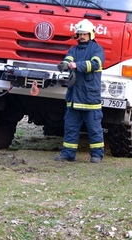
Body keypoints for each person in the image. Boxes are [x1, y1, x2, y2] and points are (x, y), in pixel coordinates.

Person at [54, 19, 105, 163]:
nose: (82, 36)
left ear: (91, 35)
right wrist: (64, 64)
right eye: (80, 34)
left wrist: (76, 65)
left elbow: (96, 64)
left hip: (90, 97)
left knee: (94, 128)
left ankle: (97, 155)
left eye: (84, 34)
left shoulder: (96, 49)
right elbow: (68, 59)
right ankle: (68, 154)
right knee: (70, 127)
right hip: (74, 97)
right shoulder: (73, 50)